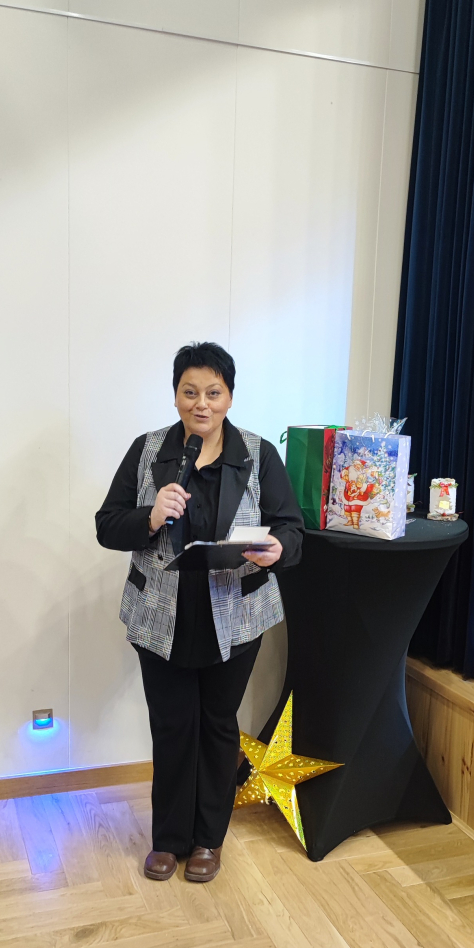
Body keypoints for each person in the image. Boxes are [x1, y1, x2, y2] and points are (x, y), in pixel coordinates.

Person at [96, 342, 303, 883]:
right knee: (171, 726)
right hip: (160, 616)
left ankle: (209, 839)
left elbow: (291, 528)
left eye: (213, 392)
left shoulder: (257, 454)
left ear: (229, 397)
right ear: (176, 396)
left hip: (235, 619)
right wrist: (149, 516)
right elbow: (106, 525)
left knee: (217, 726)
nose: (201, 404)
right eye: (190, 392)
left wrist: (279, 548)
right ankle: (168, 840)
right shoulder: (148, 450)